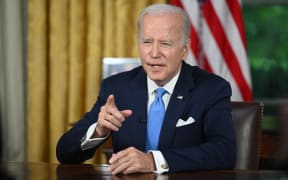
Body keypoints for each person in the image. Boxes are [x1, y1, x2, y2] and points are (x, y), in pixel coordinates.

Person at [56, 3, 236, 174]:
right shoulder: (116, 87)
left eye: (165, 43)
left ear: (185, 49)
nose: (154, 53)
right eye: (147, 42)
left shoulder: (212, 88)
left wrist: (153, 161)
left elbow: (224, 152)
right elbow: (64, 153)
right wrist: (98, 131)